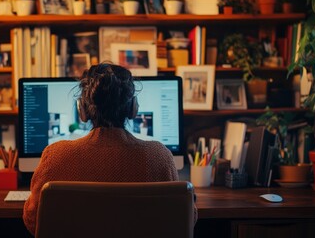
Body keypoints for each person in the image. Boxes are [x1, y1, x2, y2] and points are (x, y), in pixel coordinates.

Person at [23, 63, 197, 235]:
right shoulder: (160, 156)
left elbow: (33, 219)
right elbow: (183, 218)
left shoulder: (56, 155)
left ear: (82, 110)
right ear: (133, 109)